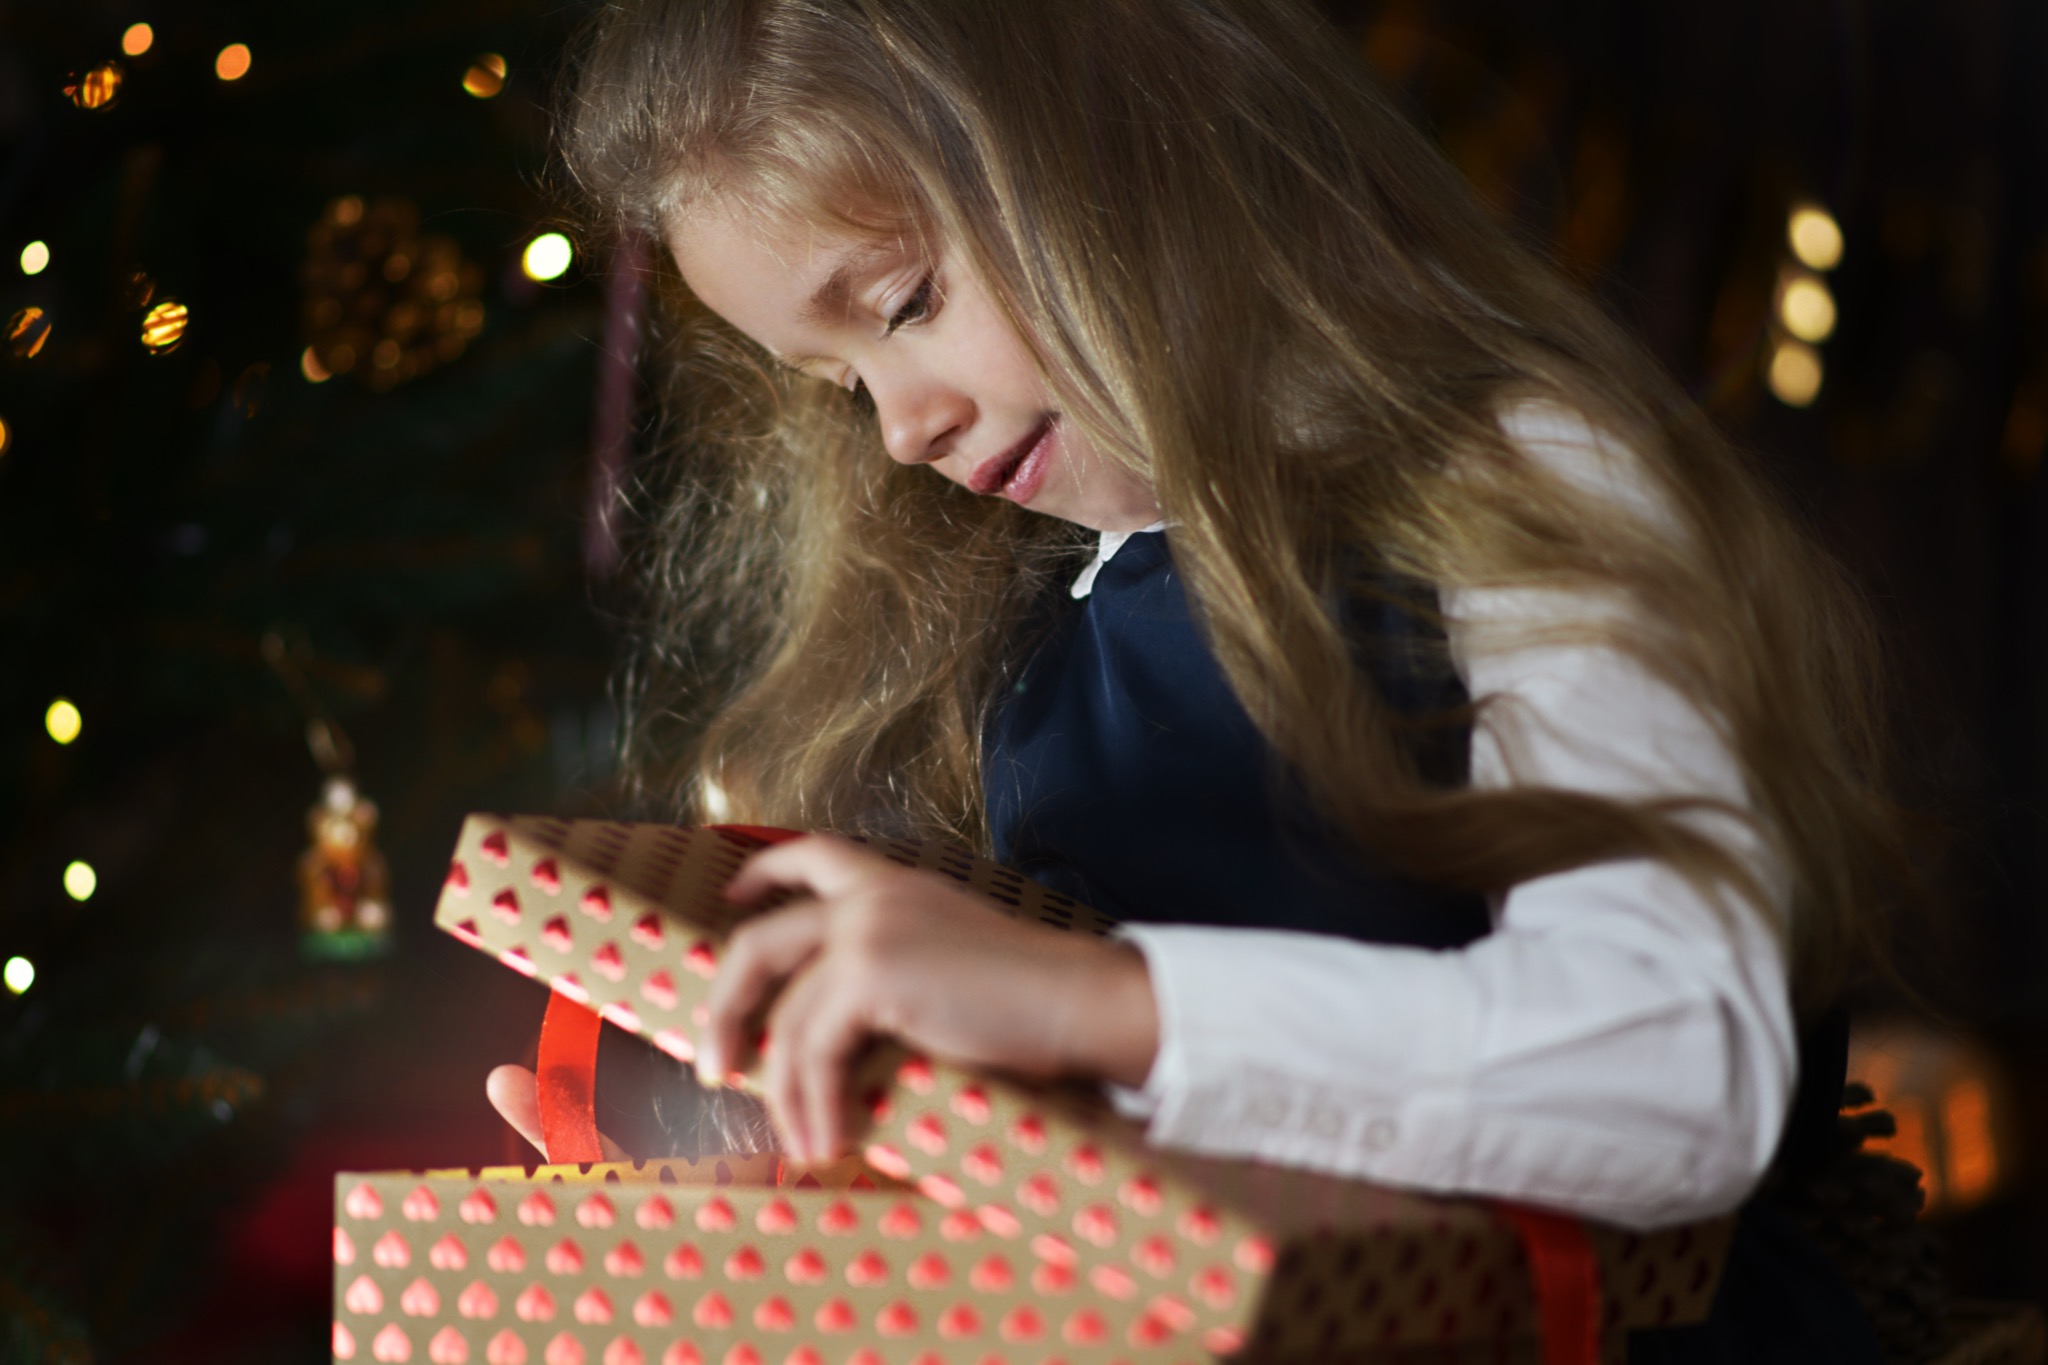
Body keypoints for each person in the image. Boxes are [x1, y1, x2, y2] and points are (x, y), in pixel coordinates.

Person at [490, 1, 1915, 1355]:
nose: (900, 431)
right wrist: (801, 1214)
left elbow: (1680, 1072)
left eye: (906, 300)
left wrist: (1091, 999)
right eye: (837, 381)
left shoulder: (1531, 484)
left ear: (1131, 130)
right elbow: (1105, 1204)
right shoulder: (1013, 637)